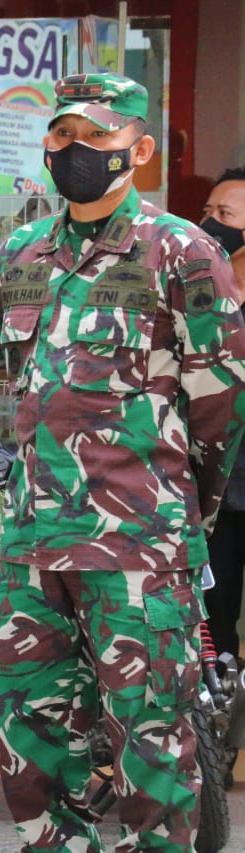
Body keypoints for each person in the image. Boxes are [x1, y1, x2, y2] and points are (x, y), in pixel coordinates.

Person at [0, 74, 245, 851]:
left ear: (135, 149)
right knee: (30, 743)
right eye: (62, 136)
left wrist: (173, 505)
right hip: (36, 543)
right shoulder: (21, 252)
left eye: (93, 138)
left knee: (151, 749)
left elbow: (219, 399)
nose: (72, 151)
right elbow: (27, 380)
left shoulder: (184, 251)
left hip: (139, 546)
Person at [202, 167, 245, 661]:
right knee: (214, 616)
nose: (211, 224)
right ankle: (219, 728)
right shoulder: (200, 296)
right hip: (217, 491)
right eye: (208, 212)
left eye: (225, 214)